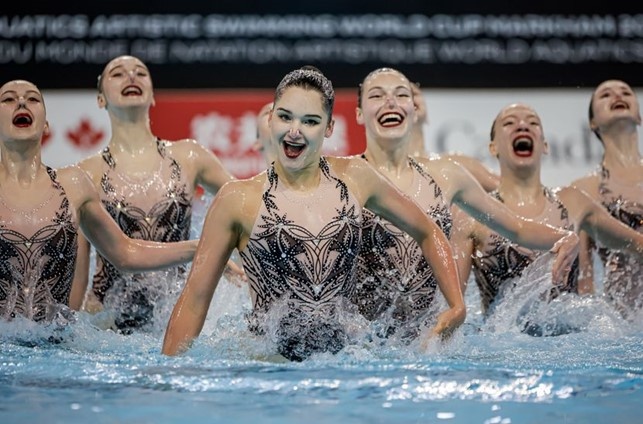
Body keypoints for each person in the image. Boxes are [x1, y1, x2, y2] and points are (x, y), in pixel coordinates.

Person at [162, 66, 465, 361]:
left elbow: (427, 229)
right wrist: (167, 376)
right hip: (268, 368)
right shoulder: (237, 200)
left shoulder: (356, 178)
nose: (294, 131)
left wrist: (456, 306)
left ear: (329, 128)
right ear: (271, 119)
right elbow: (194, 300)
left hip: (348, 364)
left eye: (310, 121)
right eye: (285, 117)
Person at [351, 68, 579, 341]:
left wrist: (564, 237)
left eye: (401, 95)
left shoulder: (447, 175)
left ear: (414, 109)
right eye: (377, 96)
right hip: (364, 344)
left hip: (429, 340)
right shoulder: (345, 176)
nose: (390, 102)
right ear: (359, 114)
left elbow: (515, 228)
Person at [0, 79, 198, 323]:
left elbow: (125, 253)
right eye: (8, 99)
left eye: (32, 99)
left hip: (58, 342)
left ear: (46, 124)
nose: (21, 102)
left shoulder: (73, 184)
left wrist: (199, 248)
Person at [75, 55, 236, 332]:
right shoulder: (85, 174)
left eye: (140, 73)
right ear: (101, 99)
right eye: (118, 74)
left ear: (152, 96)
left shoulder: (190, 156)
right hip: (106, 326)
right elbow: (77, 271)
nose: (131, 77)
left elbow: (247, 208)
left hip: (176, 317)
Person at [449, 103, 643, 332]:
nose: (523, 126)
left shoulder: (574, 202)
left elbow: (636, 244)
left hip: (570, 344)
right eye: (509, 122)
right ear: (493, 147)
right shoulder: (471, 216)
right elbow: (453, 306)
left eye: (533, 123)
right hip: (503, 346)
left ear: (545, 145)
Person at [572, 79, 643, 319]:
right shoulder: (584, 190)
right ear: (592, 123)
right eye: (605, 95)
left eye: (626, 92)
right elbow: (583, 279)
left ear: (639, 117)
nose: (617, 96)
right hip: (627, 321)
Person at [408, 81, 499, 192]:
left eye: (414, 93)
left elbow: (509, 192)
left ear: (427, 115)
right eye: (401, 95)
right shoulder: (386, 175)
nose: (409, 99)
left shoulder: (457, 164)